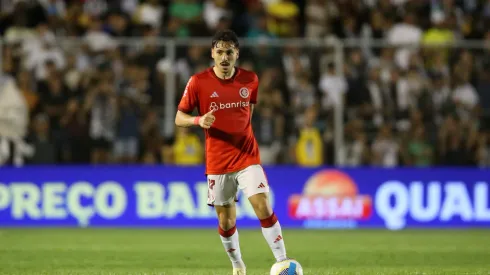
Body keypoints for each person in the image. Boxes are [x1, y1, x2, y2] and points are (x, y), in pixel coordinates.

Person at [175, 29, 290, 275]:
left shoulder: (250, 80)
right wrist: (198, 121)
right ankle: (238, 266)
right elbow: (178, 117)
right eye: (220, 52)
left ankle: (283, 262)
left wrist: (244, 135)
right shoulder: (198, 82)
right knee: (226, 221)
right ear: (212, 54)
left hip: (247, 157)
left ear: (237, 54)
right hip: (218, 162)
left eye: (229, 52)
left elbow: (249, 113)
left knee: (262, 205)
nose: (224, 57)